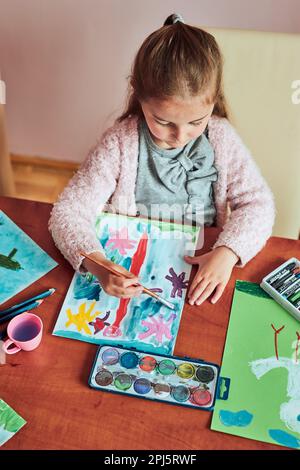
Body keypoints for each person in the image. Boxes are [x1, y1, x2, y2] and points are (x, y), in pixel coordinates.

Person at [49, 14, 275, 307]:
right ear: (138, 94)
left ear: (213, 100)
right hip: (134, 266)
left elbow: (259, 205)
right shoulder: (119, 143)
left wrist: (228, 252)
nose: (180, 136)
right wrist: (97, 264)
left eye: (196, 121)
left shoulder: (221, 139)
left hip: (201, 263)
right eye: (163, 121)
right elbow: (68, 212)